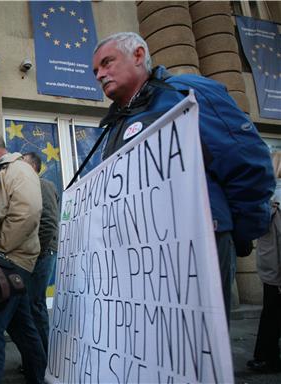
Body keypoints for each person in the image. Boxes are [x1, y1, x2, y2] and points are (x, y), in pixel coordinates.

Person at [91, 32, 275, 322]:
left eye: (106, 63)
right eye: (95, 71)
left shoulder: (186, 92)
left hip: (197, 243)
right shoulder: (115, 125)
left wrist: (233, 231)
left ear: (138, 55)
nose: (100, 74)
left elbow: (247, 162)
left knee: (196, 346)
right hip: (139, 255)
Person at [0, 132, 46, 384]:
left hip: (10, 262)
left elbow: (28, 213)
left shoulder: (18, 170)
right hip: (5, 261)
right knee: (21, 327)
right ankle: (38, 377)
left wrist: (0, 250)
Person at [22, 152, 59, 356]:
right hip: (39, 253)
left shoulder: (42, 185)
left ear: (34, 167)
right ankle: (38, 359)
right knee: (31, 305)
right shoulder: (31, 186)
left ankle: (46, 361)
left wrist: (37, 252)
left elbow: (49, 222)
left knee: (35, 305)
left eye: (23, 164)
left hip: (42, 253)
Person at [247, 151, 281, 373]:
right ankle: (266, 357)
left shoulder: (268, 195)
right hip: (275, 269)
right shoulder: (274, 196)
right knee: (272, 313)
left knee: (270, 313)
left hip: (271, 269)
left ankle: (265, 356)